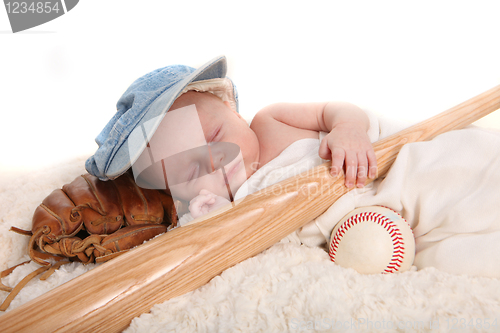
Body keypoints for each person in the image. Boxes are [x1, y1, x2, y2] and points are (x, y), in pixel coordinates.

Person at [86, 55, 378, 224]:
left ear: (233, 112)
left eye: (215, 137)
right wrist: (213, 215)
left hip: (388, 164)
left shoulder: (271, 121)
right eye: (192, 173)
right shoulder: (230, 201)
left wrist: (348, 127)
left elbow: (332, 110)